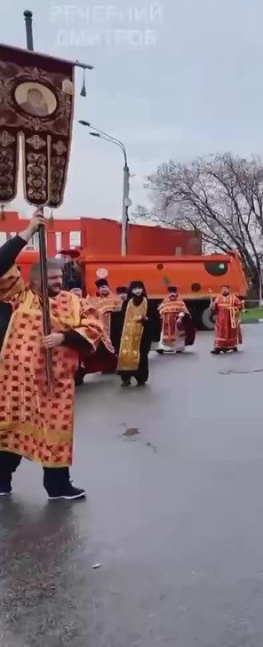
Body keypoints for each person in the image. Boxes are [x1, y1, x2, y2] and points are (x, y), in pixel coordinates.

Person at [0, 209, 102, 500]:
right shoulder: (18, 295)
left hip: (54, 383)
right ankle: (1, 480)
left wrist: (63, 336)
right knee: (9, 431)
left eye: (60, 277)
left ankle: (57, 486)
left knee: (56, 433)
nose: (56, 282)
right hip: (16, 383)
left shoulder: (74, 302)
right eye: (50, 276)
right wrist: (27, 232)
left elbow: (95, 327)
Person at [116, 281, 158, 386]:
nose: (138, 290)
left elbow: (155, 320)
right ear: (131, 290)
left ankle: (141, 378)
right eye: (135, 288)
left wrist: (146, 320)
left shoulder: (149, 303)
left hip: (143, 335)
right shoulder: (126, 303)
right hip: (127, 335)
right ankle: (126, 378)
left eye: (139, 288)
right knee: (126, 355)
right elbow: (121, 319)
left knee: (142, 356)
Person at [78, 278, 120, 383]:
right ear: (98, 289)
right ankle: (105, 367)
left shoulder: (115, 299)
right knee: (101, 350)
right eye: (101, 288)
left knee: (116, 346)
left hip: (114, 327)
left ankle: (117, 366)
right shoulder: (93, 300)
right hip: (101, 330)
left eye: (105, 287)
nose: (104, 289)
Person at [157, 286, 195, 354]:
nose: (172, 296)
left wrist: (180, 318)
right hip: (166, 322)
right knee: (164, 335)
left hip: (177, 321)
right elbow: (160, 310)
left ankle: (178, 348)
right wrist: (161, 315)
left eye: (173, 294)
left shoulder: (180, 302)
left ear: (176, 294)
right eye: (170, 294)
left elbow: (184, 311)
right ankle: (166, 348)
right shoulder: (165, 301)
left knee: (179, 336)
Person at [210, 286, 243, 354]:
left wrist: (232, 309)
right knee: (220, 333)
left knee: (231, 333)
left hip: (230, 319)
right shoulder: (218, 298)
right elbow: (215, 309)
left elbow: (240, 306)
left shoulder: (233, 298)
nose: (224, 290)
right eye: (223, 289)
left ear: (228, 290)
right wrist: (212, 306)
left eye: (225, 289)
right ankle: (218, 347)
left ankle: (232, 346)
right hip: (221, 320)